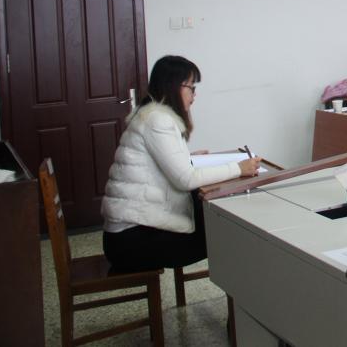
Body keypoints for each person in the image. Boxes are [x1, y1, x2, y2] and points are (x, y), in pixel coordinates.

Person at [102, 56, 261, 273]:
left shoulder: (151, 113)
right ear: (174, 86)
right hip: (131, 240)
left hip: (131, 231)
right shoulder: (158, 120)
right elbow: (186, 179)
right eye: (191, 88)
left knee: (218, 224)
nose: (194, 95)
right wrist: (239, 168)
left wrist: (187, 158)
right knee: (228, 233)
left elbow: (160, 164)